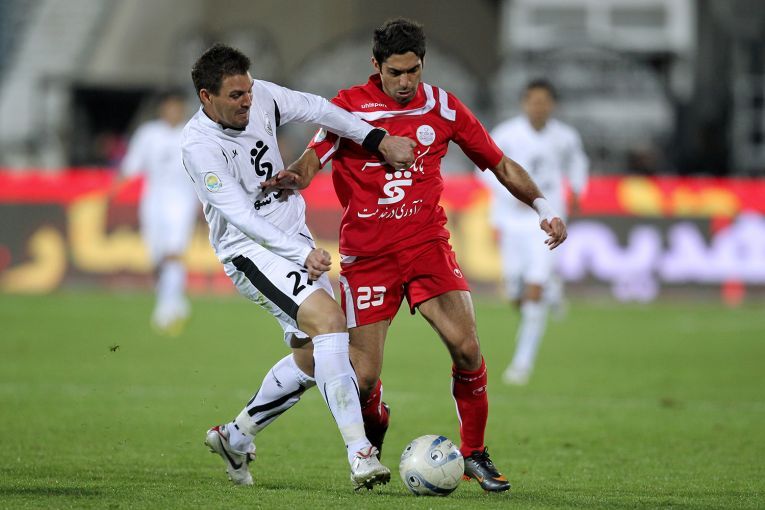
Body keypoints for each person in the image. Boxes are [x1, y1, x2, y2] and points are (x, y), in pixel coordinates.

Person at [261, 19, 567, 493]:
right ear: (376, 65)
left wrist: (544, 208)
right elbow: (311, 161)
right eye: (396, 72)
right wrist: (292, 177)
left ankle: (474, 453)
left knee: (467, 349)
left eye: (414, 71)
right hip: (368, 257)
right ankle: (376, 415)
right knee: (362, 379)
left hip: (427, 247)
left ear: (423, 64)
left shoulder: (442, 106)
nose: (406, 82)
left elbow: (499, 162)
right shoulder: (348, 108)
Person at [181, 43, 415, 489]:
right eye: (235, 96)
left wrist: (377, 139)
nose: (247, 102)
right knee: (330, 324)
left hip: (294, 237)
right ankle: (360, 453)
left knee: (312, 356)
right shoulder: (200, 147)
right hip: (251, 251)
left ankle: (235, 437)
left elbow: (321, 110)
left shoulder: (263, 97)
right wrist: (299, 253)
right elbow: (242, 217)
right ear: (206, 97)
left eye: (248, 91)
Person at [478, 79, 588, 385]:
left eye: (544, 101)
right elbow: (482, 168)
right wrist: (508, 193)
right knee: (515, 291)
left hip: (547, 219)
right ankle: (552, 288)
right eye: (534, 101)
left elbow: (577, 163)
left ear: (552, 105)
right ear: (524, 103)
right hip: (511, 221)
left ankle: (521, 364)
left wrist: (577, 189)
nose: (539, 107)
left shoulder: (565, 137)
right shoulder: (506, 134)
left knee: (533, 291)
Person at [118, 90, 197, 335]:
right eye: (169, 106)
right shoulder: (148, 134)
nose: (173, 111)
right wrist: (116, 184)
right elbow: (131, 166)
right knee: (157, 256)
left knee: (174, 252)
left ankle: (165, 307)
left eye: (177, 106)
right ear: (162, 109)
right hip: (153, 201)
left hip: (182, 200)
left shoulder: (192, 133)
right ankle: (176, 301)